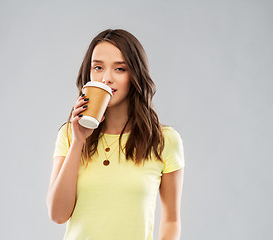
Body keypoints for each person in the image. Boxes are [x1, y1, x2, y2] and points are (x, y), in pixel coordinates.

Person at [46, 29, 185, 240]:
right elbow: (57, 214)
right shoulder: (69, 135)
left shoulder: (164, 140)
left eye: (120, 69)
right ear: (89, 72)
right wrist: (78, 141)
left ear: (134, 75)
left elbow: (171, 220)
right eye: (98, 67)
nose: (106, 78)